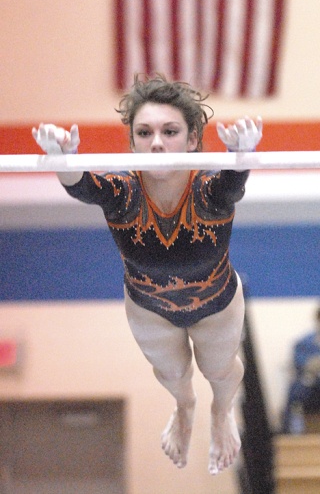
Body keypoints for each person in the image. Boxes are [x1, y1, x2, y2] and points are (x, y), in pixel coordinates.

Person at [32, 74, 262, 475]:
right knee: (172, 374)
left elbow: (232, 187)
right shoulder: (123, 191)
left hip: (217, 303)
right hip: (149, 307)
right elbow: (84, 187)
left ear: (192, 140)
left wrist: (241, 158)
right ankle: (184, 404)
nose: (156, 142)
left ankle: (221, 412)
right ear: (133, 141)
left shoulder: (208, 186)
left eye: (169, 131)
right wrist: (62, 162)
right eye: (145, 132)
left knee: (220, 371)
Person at [282, 305, 320, 433]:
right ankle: (289, 432)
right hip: (311, 384)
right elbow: (299, 364)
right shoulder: (304, 343)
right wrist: (311, 365)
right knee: (296, 388)